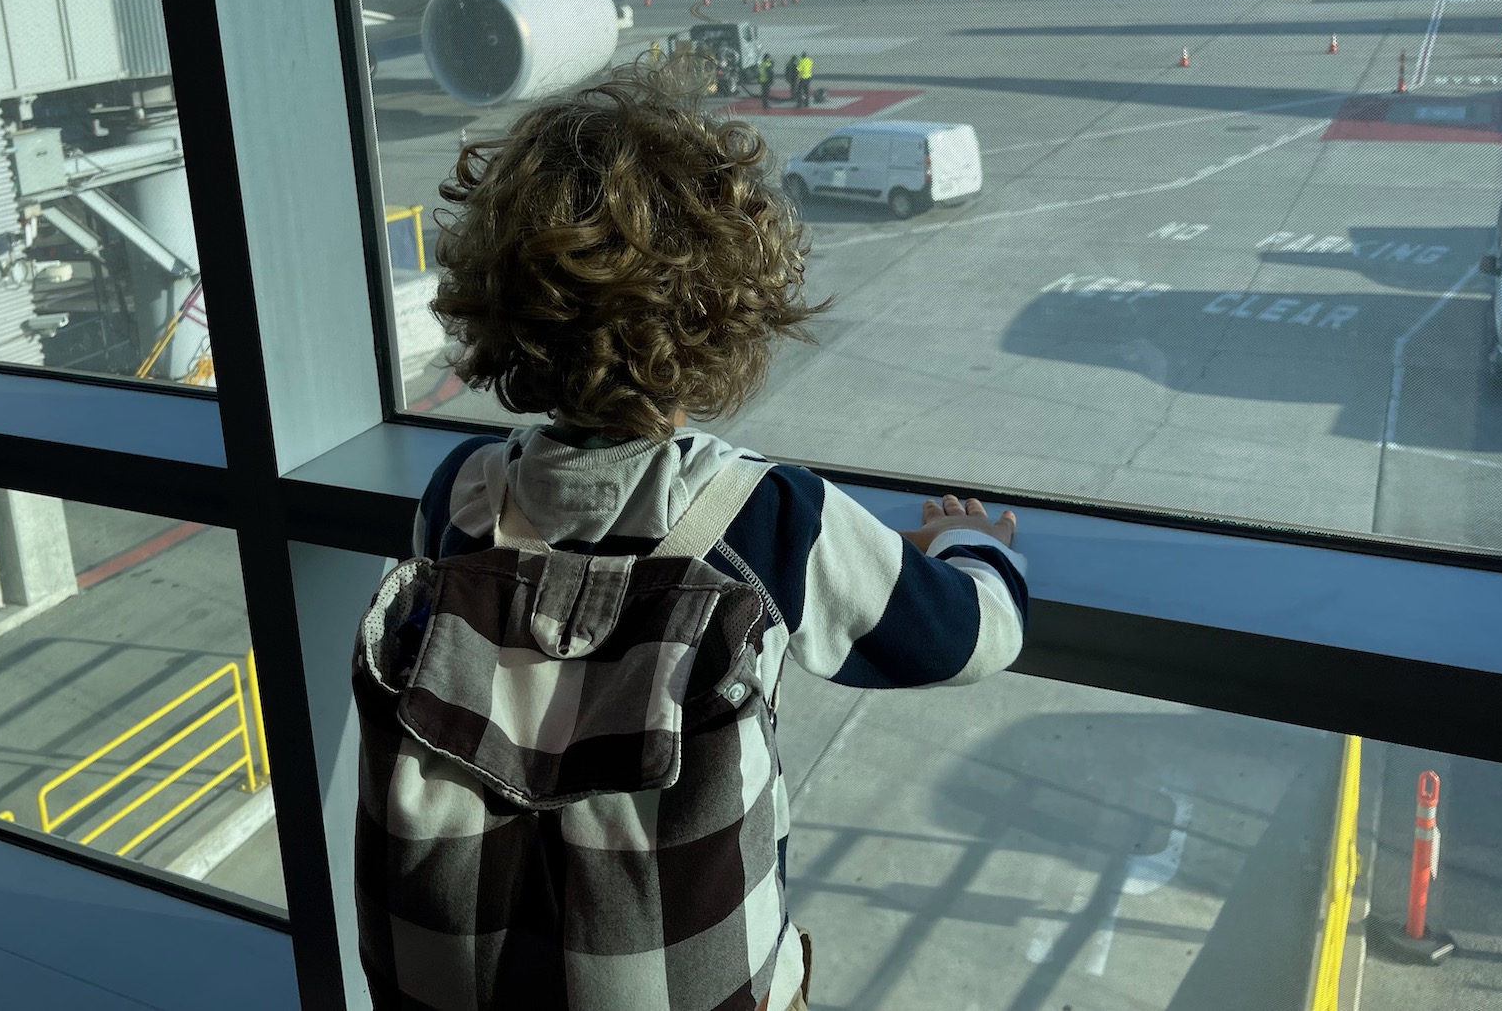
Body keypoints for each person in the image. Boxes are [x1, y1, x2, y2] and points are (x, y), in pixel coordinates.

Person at [356, 53, 1026, 1011]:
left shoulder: (456, 495)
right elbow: (963, 637)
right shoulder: (767, 519)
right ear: (728, 316)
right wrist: (976, 551)